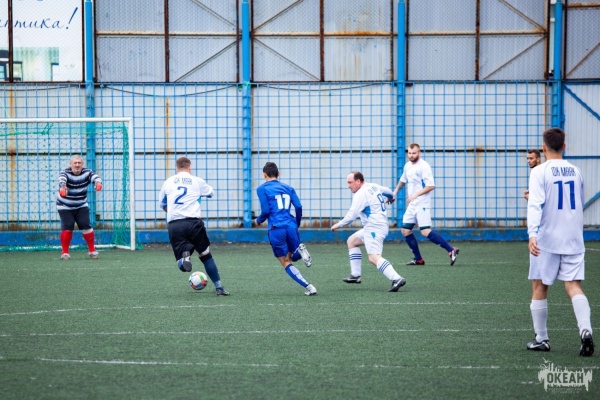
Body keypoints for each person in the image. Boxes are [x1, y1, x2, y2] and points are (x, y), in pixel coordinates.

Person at [526, 128, 593, 356]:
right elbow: (578, 202)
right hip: (573, 237)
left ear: (543, 148)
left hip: (547, 239)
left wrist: (532, 234)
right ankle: (585, 330)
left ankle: (542, 339)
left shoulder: (539, 172)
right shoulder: (576, 171)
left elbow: (535, 205)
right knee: (574, 286)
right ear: (564, 146)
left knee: (539, 286)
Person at [159, 157, 229, 296]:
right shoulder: (197, 181)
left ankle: (185, 255)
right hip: (194, 223)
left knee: (181, 265)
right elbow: (211, 193)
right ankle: (219, 288)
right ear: (189, 167)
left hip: (175, 224)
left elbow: (163, 204)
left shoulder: (168, 182)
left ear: (176, 168)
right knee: (205, 254)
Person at [331, 171, 406, 292]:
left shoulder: (361, 194)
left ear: (358, 181)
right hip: (376, 226)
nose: (348, 186)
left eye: (350, 182)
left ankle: (396, 278)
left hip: (374, 228)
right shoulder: (373, 186)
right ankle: (355, 275)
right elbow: (388, 191)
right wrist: (391, 197)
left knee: (373, 257)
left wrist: (338, 224)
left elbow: (352, 215)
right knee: (352, 241)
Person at [253, 162, 316, 296]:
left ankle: (309, 287)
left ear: (264, 175)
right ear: (278, 174)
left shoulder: (261, 189)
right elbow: (298, 207)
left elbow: (266, 210)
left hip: (276, 228)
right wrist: (296, 223)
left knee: (285, 261)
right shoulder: (288, 188)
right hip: (291, 226)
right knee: (292, 257)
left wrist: (258, 220)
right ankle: (300, 250)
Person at [391, 143, 459, 266]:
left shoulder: (424, 166)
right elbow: (403, 180)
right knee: (405, 230)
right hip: (412, 204)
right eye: (409, 153)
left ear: (419, 153)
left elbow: (431, 186)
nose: (411, 155)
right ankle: (418, 259)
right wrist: (394, 193)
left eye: (414, 153)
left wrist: (416, 195)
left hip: (422, 203)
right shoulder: (407, 166)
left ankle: (451, 250)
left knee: (425, 231)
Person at [56, 155, 103, 260]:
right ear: (71, 164)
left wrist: (98, 183)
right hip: (65, 205)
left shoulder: (87, 172)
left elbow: (96, 177)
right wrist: (63, 187)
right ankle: (65, 253)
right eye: (75, 163)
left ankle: (92, 251)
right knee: (68, 227)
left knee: (86, 226)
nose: (77, 165)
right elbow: (62, 180)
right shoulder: (65, 173)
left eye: (79, 163)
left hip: (81, 204)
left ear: (82, 164)